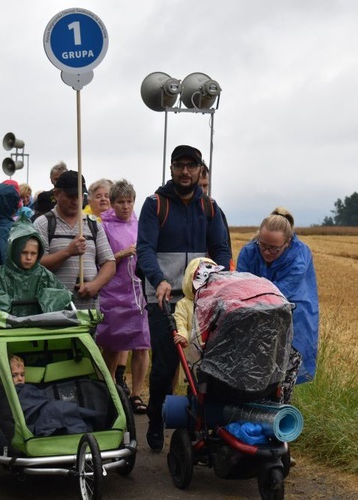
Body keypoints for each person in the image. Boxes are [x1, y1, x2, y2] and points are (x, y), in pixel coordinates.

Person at [137, 145, 231, 451]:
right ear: (171, 169)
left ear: (201, 171)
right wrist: (159, 280)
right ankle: (155, 418)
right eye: (180, 166)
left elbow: (221, 250)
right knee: (165, 364)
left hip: (201, 299)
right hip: (163, 297)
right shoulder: (155, 205)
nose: (186, 172)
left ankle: (201, 420)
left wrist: (219, 283)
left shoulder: (211, 208)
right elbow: (145, 249)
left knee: (206, 362)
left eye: (192, 167)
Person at [236, 207, 319, 404]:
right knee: (252, 380)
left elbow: (277, 294)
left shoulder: (300, 256)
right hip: (254, 318)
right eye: (262, 245)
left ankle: (277, 425)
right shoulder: (249, 252)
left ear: (287, 243)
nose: (266, 252)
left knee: (281, 383)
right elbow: (239, 286)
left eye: (274, 249)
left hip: (293, 321)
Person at [96, 180, 150, 413]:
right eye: (121, 202)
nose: (126, 206)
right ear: (113, 203)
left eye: (129, 201)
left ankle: (137, 394)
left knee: (142, 344)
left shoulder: (142, 225)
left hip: (138, 293)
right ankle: (109, 391)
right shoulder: (103, 226)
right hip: (113, 293)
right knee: (112, 344)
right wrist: (122, 254)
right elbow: (101, 259)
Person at [34, 170, 115, 311]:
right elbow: (36, 265)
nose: (76, 200)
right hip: (53, 311)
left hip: (88, 310)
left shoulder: (93, 224)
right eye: (70, 196)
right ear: (57, 194)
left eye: (79, 195)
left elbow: (109, 262)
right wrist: (67, 252)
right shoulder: (43, 224)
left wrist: (95, 285)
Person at [0, 215, 72, 317]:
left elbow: (63, 297)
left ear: (39, 253)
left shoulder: (45, 276)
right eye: (24, 252)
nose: (29, 258)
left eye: (33, 253)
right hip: (5, 330)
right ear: (14, 251)